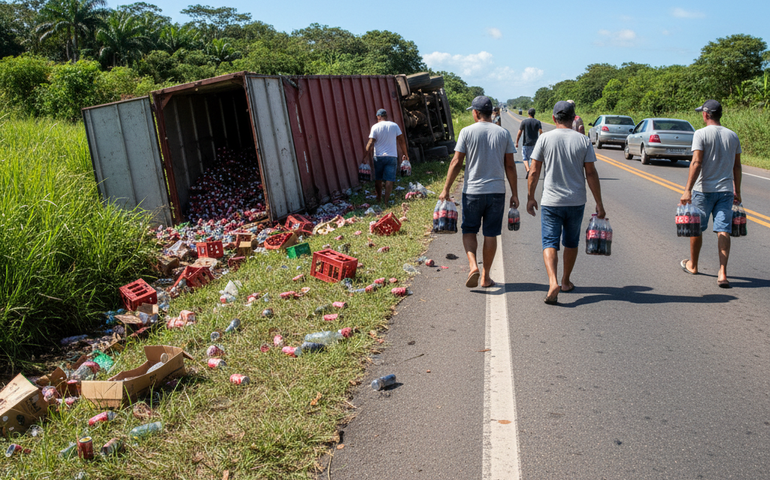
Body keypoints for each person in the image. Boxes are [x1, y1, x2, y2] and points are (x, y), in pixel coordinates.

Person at [526, 100, 606, 305]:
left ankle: (552, 282)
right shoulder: (583, 141)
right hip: (576, 201)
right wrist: (599, 203)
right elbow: (591, 173)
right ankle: (565, 281)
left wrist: (530, 197)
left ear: (553, 118)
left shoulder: (544, 139)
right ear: (574, 118)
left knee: (549, 242)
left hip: (551, 202)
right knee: (571, 242)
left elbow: (534, 171)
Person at [439, 96, 518, 288]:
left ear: (475, 113)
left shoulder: (466, 132)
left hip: (472, 192)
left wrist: (446, 188)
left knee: (469, 230)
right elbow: (510, 165)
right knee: (491, 234)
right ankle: (486, 276)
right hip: (496, 192)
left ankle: (473, 265)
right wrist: (514, 193)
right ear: (491, 112)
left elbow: (456, 162)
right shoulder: (503, 133)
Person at [679, 99, 742, 288]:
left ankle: (693, 265)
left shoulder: (700, 134)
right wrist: (737, 190)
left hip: (703, 191)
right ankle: (722, 273)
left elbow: (696, 162)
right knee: (723, 229)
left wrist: (687, 190)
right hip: (725, 192)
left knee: (696, 228)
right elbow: (737, 166)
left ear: (706, 114)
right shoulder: (733, 135)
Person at [362, 108, 409, 204]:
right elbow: (401, 141)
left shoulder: (375, 127)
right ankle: (386, 201)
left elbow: (370, 142)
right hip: (392, 156)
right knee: (389, 179)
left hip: (378, 157)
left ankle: (379, 198)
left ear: (378, 117)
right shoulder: (394, 126)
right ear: (386, 116)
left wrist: (365, 156)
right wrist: (405, 154)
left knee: (378, 179)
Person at [515, 108, 543, 179]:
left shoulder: (524, 122)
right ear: (534, 114)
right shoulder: (538, 122)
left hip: (526, 143)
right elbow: (540, 132)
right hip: (535, 144)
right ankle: (531, 171)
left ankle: (528, 170)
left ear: (528, 113)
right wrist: (541, 142)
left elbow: (520, 132)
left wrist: (517, 142)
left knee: (525, 158)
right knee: (533, 158)